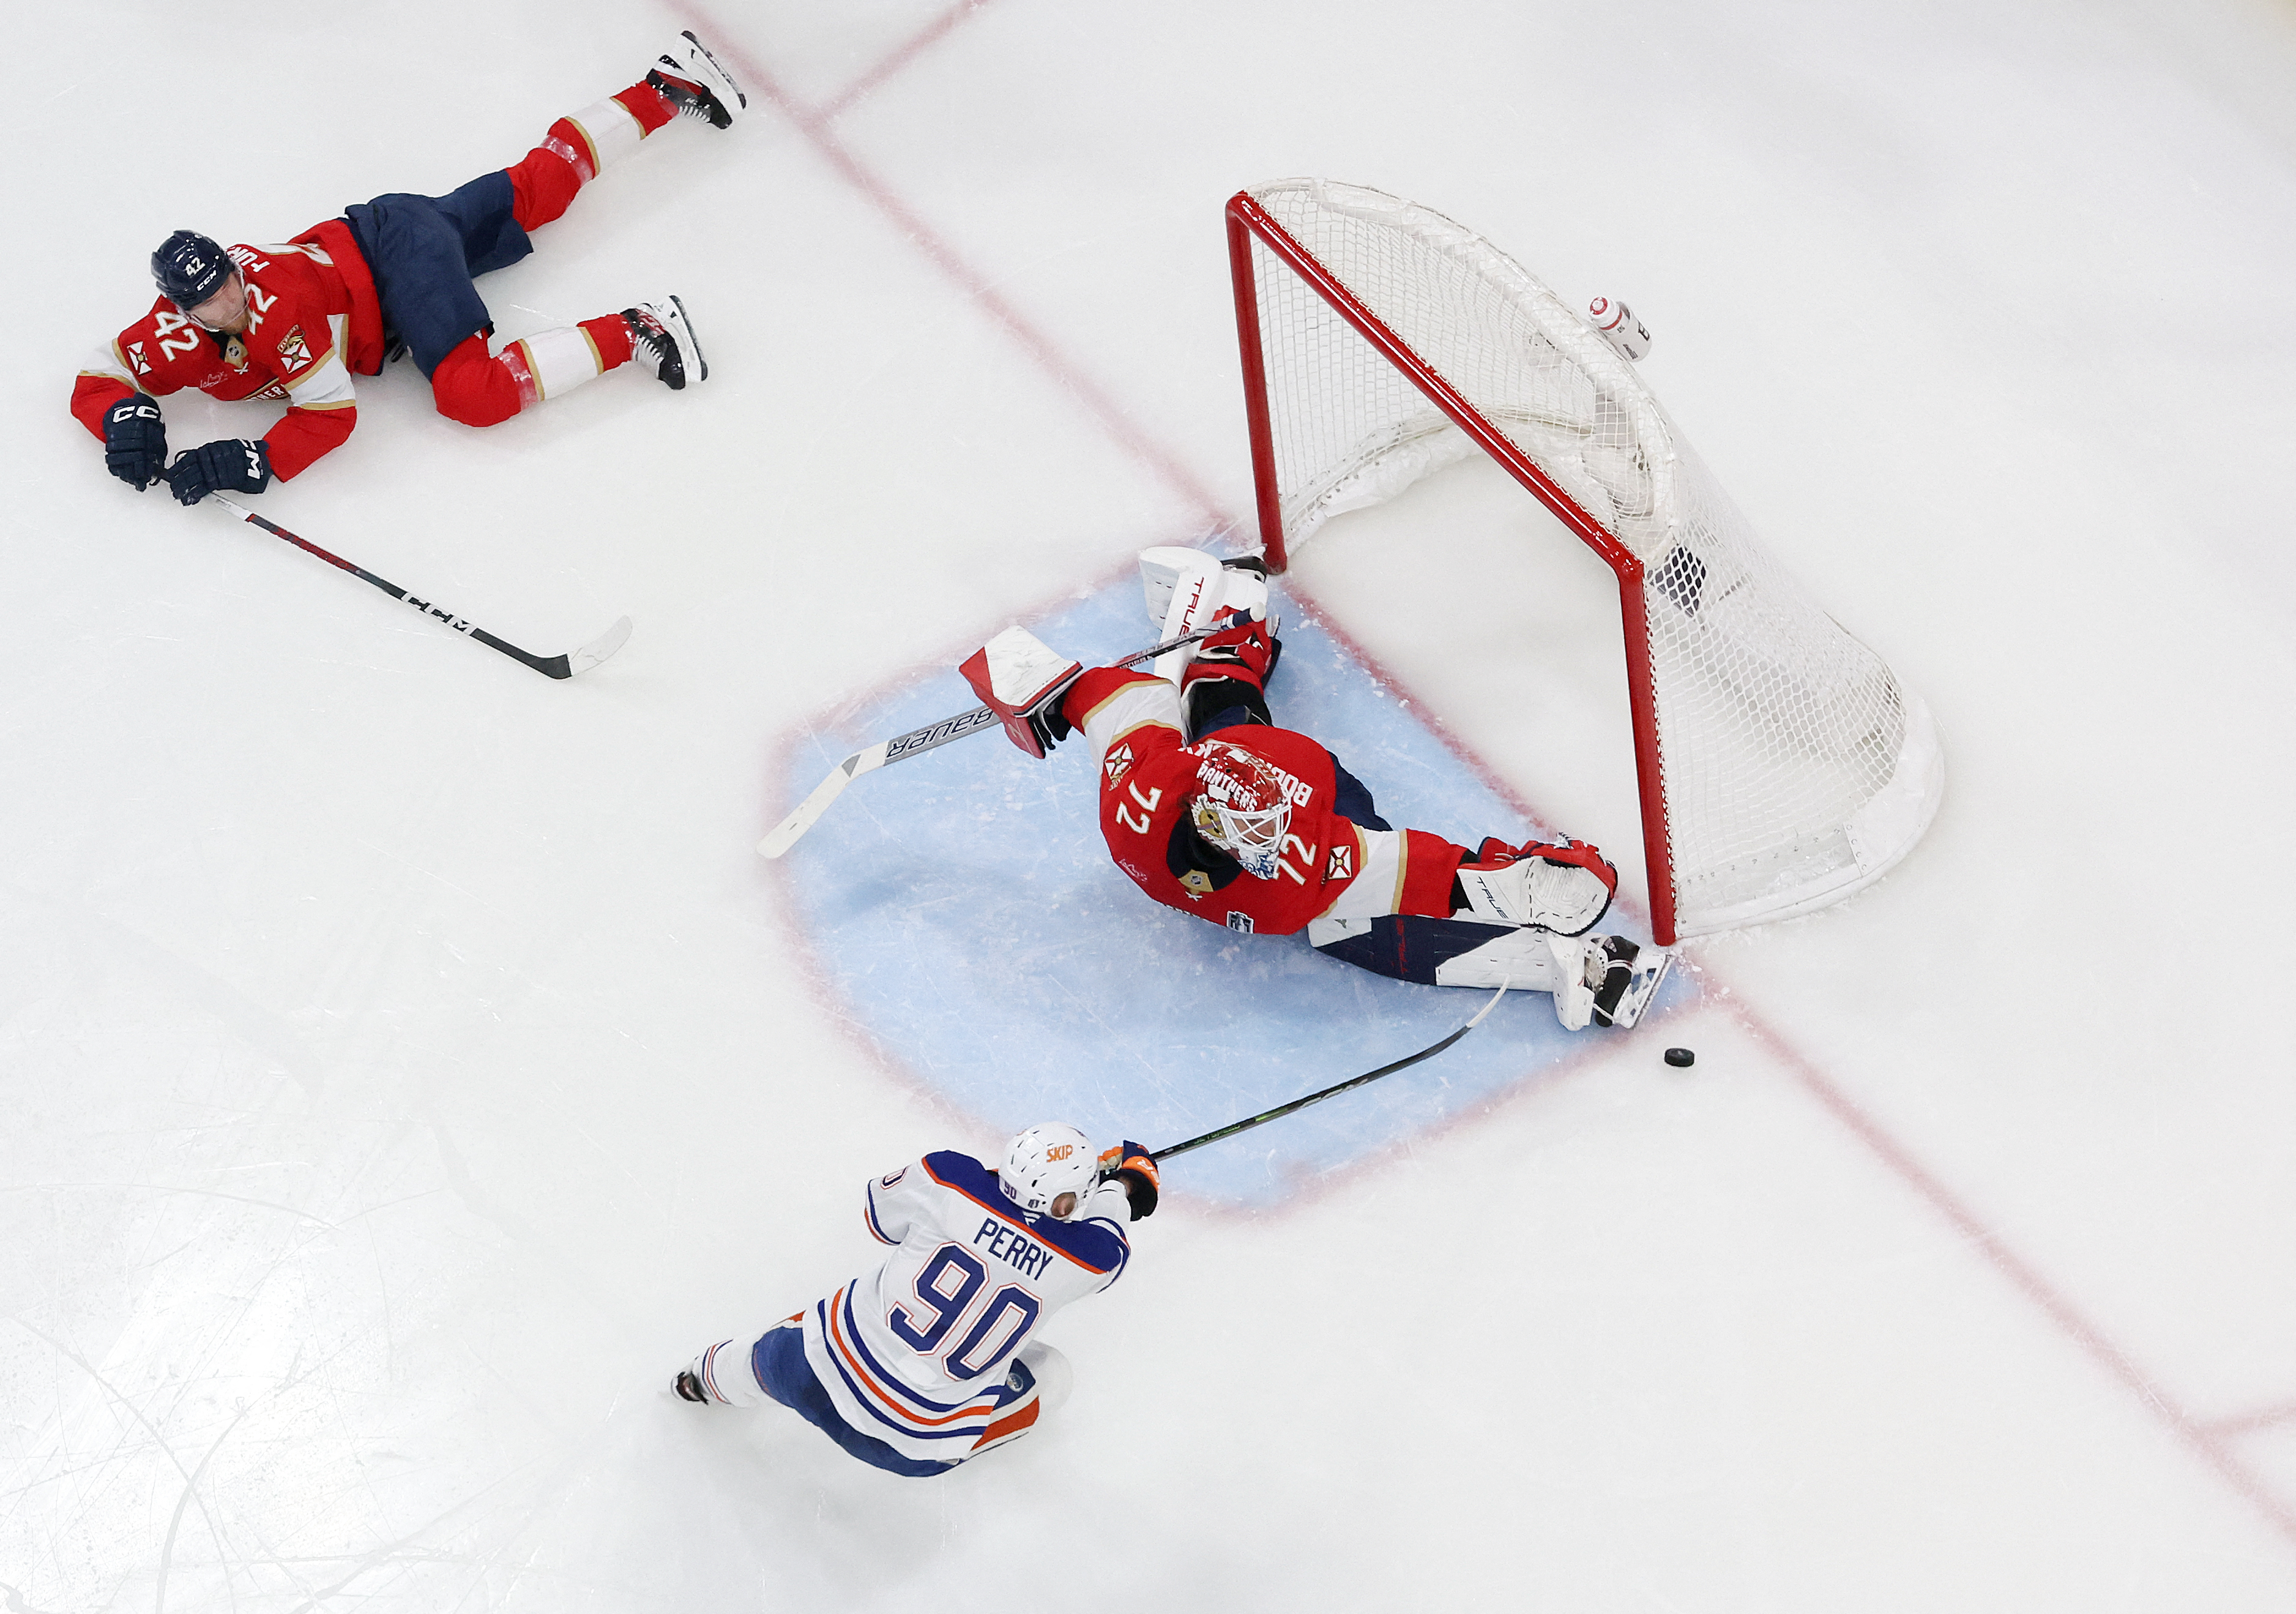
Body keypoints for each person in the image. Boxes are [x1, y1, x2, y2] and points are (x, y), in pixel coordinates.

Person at [971, 555, 1671, 1030]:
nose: (1275, 848)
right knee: (1235, 740)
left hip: (1296, 779)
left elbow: (1117, 697)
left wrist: (1037, 689)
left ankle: (1225, 654)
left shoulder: (1165, 803)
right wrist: (1045, 689)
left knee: (1340, 914)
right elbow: (1423, 874)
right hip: (1291, 782)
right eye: (1259, 840)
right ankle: (1227, 650)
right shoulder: (1257, 852)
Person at [73, 31, 747, 507]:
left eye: (227, 278)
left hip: (397, 266)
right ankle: (665, 86)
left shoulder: (278, 313)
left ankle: (638, 328)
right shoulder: (175, 340)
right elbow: (100, 373)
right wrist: (122, 417)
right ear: (182, 312)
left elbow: (330, 413)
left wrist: (258, 460)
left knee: (470, 394)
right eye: (210, 300)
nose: (229, 298)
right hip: (389, 230)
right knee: (537, 188)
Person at [674, 1125, 1160, 1478]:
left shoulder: (947, 1177)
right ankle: (974, 1434)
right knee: (1053, 1374)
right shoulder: (1092, 1259)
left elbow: (878, 1218)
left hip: (805, 1374)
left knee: (839, 1316)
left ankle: (696, 1381)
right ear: (1068, 1202)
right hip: (912, 1448)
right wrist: (1125, 1181)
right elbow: (1109, 1221)